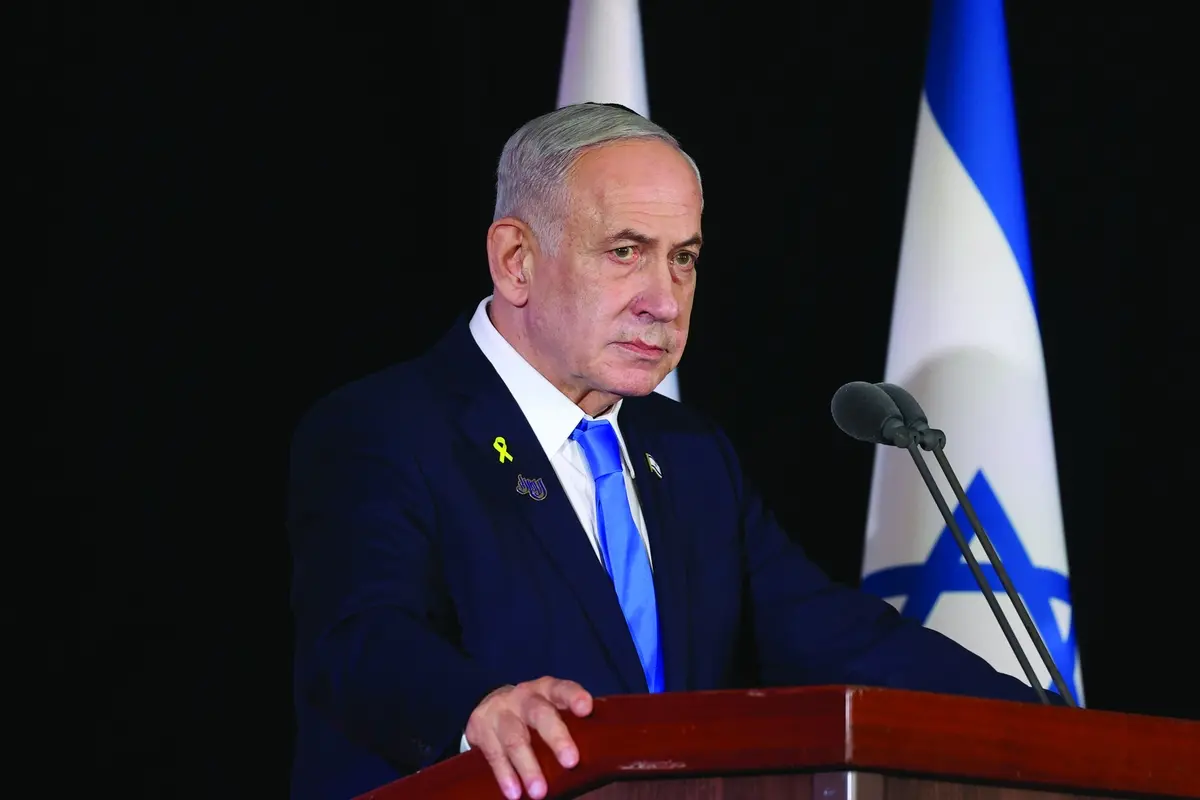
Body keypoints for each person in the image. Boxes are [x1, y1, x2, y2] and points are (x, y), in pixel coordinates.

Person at [287, 102, 1055, 800]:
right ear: (516, 260)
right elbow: (358, 637)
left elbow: (839, 639)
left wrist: (1043, 731)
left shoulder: (689, 455)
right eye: (625, 251)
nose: (664, 298)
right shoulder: (388, 427)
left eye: (683, 258)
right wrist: (475, 707)